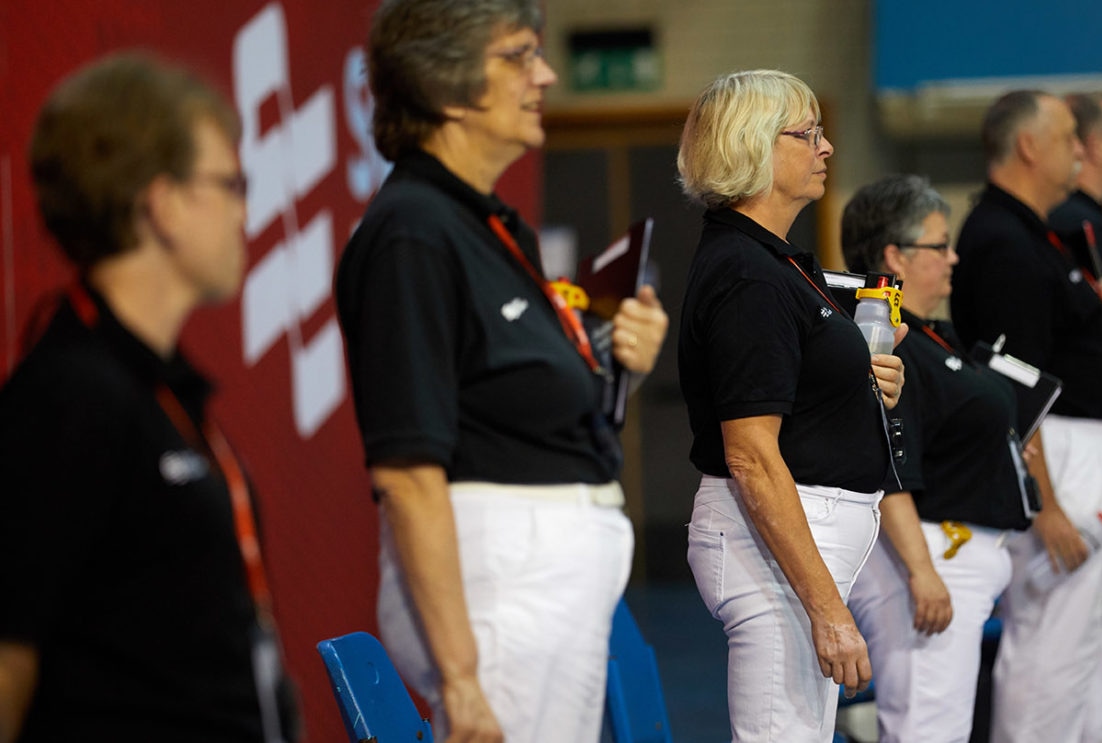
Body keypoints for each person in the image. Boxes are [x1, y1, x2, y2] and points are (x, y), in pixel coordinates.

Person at [334, 1, 668, 742]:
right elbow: (408, 471)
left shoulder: (486, 225)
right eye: (518, 56)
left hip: (541, 591)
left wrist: (618, 363)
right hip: (499, 598)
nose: (545, 74)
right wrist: (461, 676)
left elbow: (539, 412)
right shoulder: (412, 234)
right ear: (445, 87)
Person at [0, 53, 300, 743]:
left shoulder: (162, 388)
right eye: (230, 184)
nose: (245, 213)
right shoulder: (67, 398)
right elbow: (10, 655)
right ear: (162, 204)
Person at [676, 69, 906, 742]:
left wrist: (859, 380)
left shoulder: (772, 263)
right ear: (753, 147)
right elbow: (750, 455)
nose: (827, 148)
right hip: (773, 543)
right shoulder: (749, 275)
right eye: (808, 134)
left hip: (792, 536)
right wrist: (828, 608)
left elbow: (793, 390)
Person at [948, 90, 1102, 743]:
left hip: (1087, 447)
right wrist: (1049, 506)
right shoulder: (1002, 241)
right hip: (1059, 456)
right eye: (1068, 137)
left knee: (1081, 640)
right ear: (1029, 145)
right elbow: (1012, 388)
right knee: (1050, 643)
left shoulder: (1033, 233)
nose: (1081, 149)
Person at [842, 175, 1033, 743]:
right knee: (928, 727)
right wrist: (923, 572)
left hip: (957, 554)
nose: (954, 258)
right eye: (939, 245)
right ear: (895, 256)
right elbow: (889, 467)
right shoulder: (888, 345)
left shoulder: (936, 336)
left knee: (944, 723)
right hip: (926, 557)